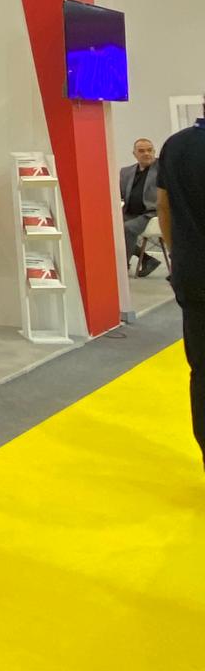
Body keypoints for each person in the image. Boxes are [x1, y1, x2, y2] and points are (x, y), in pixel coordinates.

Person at [156, 123, 205, 469]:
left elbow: (163, 206)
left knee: (201, 370)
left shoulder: (175, 146)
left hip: (193, 274)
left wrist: (178, 254)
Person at [120, 138, 159, 277]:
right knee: (105, 228)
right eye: (141, 151)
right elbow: (118, 193)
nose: (146, 153)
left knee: (127, 229)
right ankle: (147, 259)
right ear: (134, 154)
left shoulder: (163, 169)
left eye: (149, 150)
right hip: (129, 212)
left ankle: (122, 267)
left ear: (154, 151)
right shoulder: (126, 172)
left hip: (151, 213)